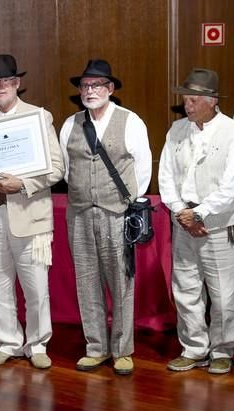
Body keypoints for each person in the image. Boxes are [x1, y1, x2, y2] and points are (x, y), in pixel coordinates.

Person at [0, 55, 64, 369]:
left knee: (35, 285)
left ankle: (37, 345)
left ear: (17, 83)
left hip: (27, 213)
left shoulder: (38, 117)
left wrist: (21, 183)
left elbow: (57, 169)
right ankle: (7, 342)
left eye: (6, 81)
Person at [59, 60, 152, 375]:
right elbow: (66, 170)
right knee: (86, 281)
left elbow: (142, 168)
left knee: (121, 281)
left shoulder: (131, 122)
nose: (89, 91)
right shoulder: (70, 124)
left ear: (110, 89)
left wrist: (129, 205)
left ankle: (123, 350)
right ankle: (96, 347)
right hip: (80, 213)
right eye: (85, 86)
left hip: (117, 213)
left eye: (96, 85)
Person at [159, 68, 234, 375]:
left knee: (224, 294)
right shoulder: (176, 130)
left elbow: (232, 186)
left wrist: (200, 213)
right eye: (186, 98)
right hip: (183, 221)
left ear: (212, 101)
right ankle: (193, 348)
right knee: (186, 289)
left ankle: (222, 349)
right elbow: (166, 176)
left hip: (219, 224)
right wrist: (180, 210)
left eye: (195, 99)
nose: (188, 104)